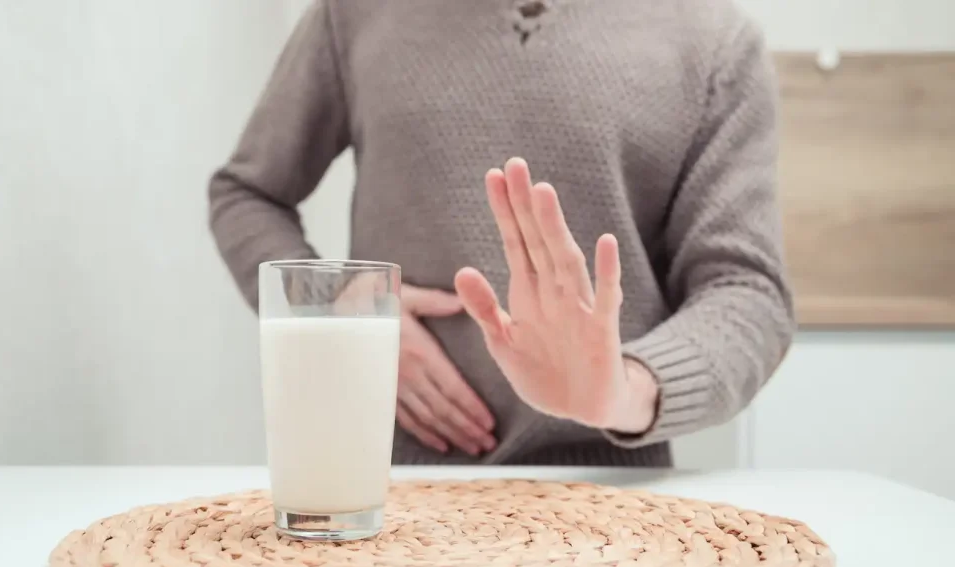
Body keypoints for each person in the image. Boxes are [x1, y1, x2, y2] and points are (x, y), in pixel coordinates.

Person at [208, 0, 794, 467]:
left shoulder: (716, 44)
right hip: (386, 486)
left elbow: (746, 291)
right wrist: (337, 314)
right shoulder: (353, 13)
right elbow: (247, 195)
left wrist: (628, 388)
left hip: (612, 501)